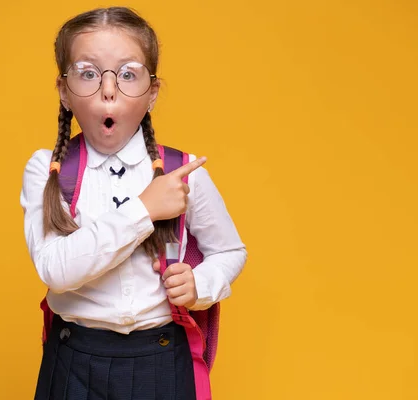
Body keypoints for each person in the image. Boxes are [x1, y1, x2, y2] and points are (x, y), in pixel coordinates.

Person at [19, 6, 247, 399]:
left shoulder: (183, 171)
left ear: (152, 93)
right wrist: (144, 209)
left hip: (160, 359)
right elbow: (54, 270)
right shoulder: (47, 170)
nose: (109, 90)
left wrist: (201, 285)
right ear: (64, 91)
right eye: (89, 73)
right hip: (73, 360)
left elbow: (230, 251)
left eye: (128, 74)